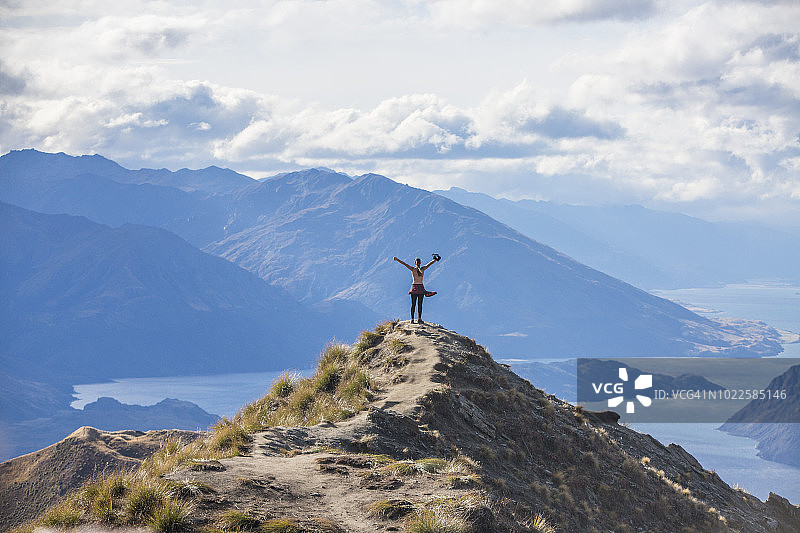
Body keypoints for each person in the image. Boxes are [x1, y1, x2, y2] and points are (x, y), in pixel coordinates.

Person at [393, 255, 439, 324]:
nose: (418, 263)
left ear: (417, 263)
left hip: (416, 288)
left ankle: (415, 319)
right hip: (418, 288)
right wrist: (435, 260)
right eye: (418, 262)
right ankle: (416, 319)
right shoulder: (419, 269)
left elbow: (404, 264)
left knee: (416, 304)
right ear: (418, 263)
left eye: (418, 262)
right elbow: (404, 264)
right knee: (416, 304)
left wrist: (397, 259)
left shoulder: (416, 269)